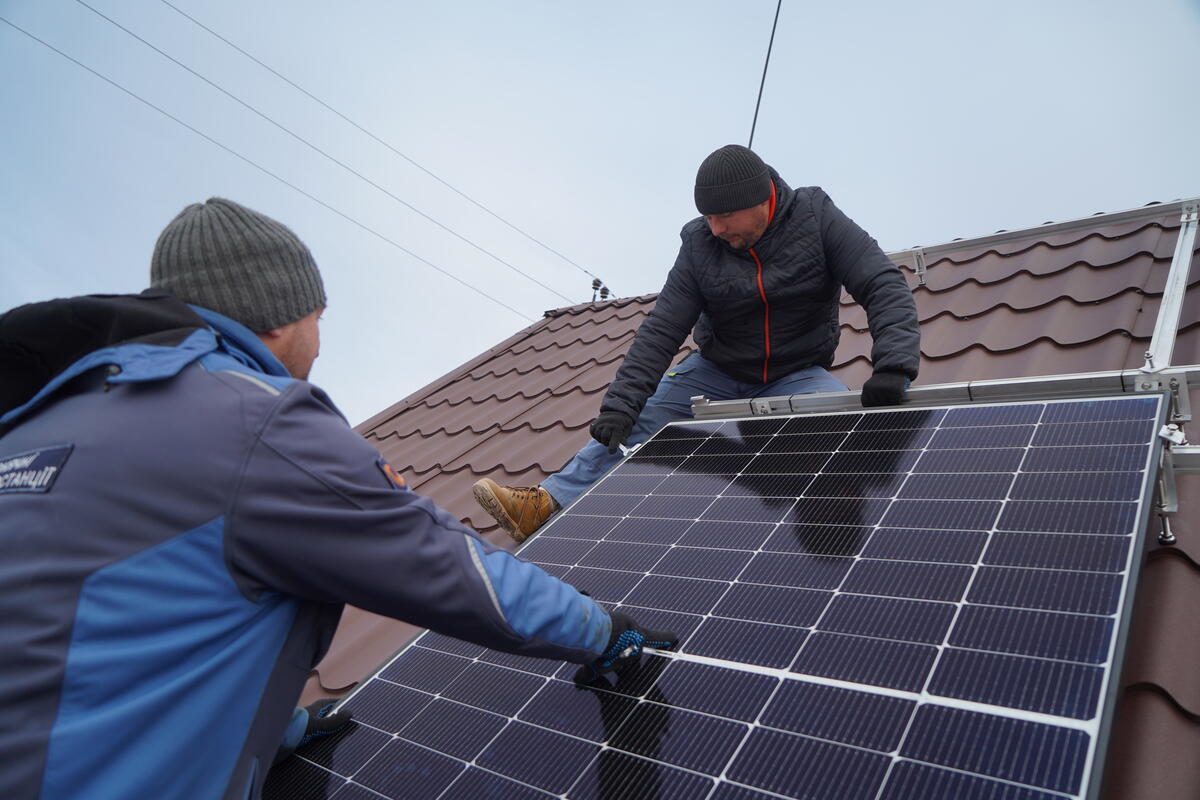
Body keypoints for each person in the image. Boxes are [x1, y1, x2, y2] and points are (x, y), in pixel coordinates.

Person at [0, 198, 675, 800]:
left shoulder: (36, 421)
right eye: (317, 318)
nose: (320, 343)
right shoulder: (256, 425)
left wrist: (270, 723)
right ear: (275, 323)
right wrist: (603, 631)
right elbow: (449, 569)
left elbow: (113, 629)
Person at [474, 144, 920, 542]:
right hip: (717, 370)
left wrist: (894, 365)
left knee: (844, 428)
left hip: (797, 374)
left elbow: (881, 282)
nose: (715, 226)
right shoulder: (699, 244)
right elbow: (662, 327)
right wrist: (619, 405)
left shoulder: (816, 217)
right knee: (637, 421)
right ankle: (544, 504)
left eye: (724, 216)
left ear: (762, 200)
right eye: (708, 216)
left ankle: (847, 512)